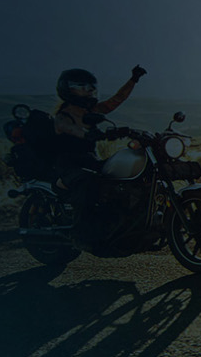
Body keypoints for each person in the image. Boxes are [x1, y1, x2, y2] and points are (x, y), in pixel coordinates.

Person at [49, 65, 146, 232]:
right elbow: (72, 129)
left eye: (91, 86)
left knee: (122, 173)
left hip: (89, 160)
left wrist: (133, 80)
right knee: (88, 183)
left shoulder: (92, 110)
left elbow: (117, 100)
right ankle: (81, 231)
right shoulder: (62, 116)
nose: (90, 90)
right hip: (68, 165)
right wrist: (88, 134)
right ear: (69, 89)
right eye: (83, 86)